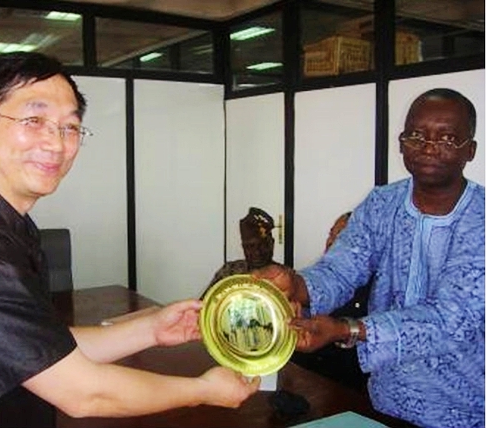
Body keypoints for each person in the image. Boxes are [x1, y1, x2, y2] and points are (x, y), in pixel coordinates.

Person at [0, 52, 260, 428]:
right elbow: (83, 392)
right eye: (34, 120)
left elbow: (41, 350)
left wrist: (152, 329)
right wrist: (204, 390)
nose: (56, 144)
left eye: (70, 127)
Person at [255, 88, 484, 428]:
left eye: (447, 138)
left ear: (470, 150)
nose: (428, 147)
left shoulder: (482, 217)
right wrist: (296, 284)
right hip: (384, 400)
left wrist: (346, 329)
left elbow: (452, 320)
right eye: (416, 135)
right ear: (401, 143)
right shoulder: (381, 204)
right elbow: (341, 269)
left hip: (463, 410)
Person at [292, 211, 370, 391]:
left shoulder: (374, 291)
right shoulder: (315, 280)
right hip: (302, 372)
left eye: (340, 238)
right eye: (331, 235)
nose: (330, 242)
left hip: (341, 383)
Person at [201, 207, 280, 298]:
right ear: (243, 247)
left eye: (262, 245)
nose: (257, 252)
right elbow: (205, 302)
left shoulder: (282, 277)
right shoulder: (229, 272)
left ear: (272, 244)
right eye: (250, 247)